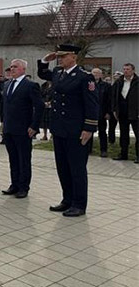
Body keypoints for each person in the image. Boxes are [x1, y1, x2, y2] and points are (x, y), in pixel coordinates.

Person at [37, 44, 98, 217]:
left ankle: (79, 204)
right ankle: (67, 200)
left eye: (63, 56)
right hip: (59, 128)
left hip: (76, 130)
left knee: (77, 168)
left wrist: (89, 128)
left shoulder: (85, 77)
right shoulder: (58, 73)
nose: (60, 59)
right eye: (59, 57)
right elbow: (43, 73)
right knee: (62, 167)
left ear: (73, 56)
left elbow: (92, 104)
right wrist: (44, 61)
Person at [1, 59, 44, 198]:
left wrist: (34, 126)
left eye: (15, 67)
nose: (12, 69)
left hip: (23, 129)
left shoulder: (30, 85)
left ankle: (24, 187)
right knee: (13, 158)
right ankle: (14, 184)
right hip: (9, 128)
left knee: (23, 159)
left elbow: (39, 106)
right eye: (11, 67)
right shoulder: (7, 84)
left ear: (23, 69)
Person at [111, 63, 138, 162]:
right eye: (124, 69)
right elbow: (114, 96)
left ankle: (138, 155)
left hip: (135, 113)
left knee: (137, 135)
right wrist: (114, 110)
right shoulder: (119, 82)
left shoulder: (137, 82)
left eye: (128, 69)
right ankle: (123, 154)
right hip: (122, 112)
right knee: (123, 135)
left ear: (133, 70)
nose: (126, 71)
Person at [90, 68, 112, 157]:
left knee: (102, 132)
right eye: (93, 73)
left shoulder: (106, 86)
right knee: (89, 131)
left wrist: (108, 112)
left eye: (97, 73)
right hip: (90, 113)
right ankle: (88, 149)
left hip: (102, 112)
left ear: (101, 75)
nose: (95, 74)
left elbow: (109, 100)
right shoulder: (87, 84)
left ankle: (103, 150)